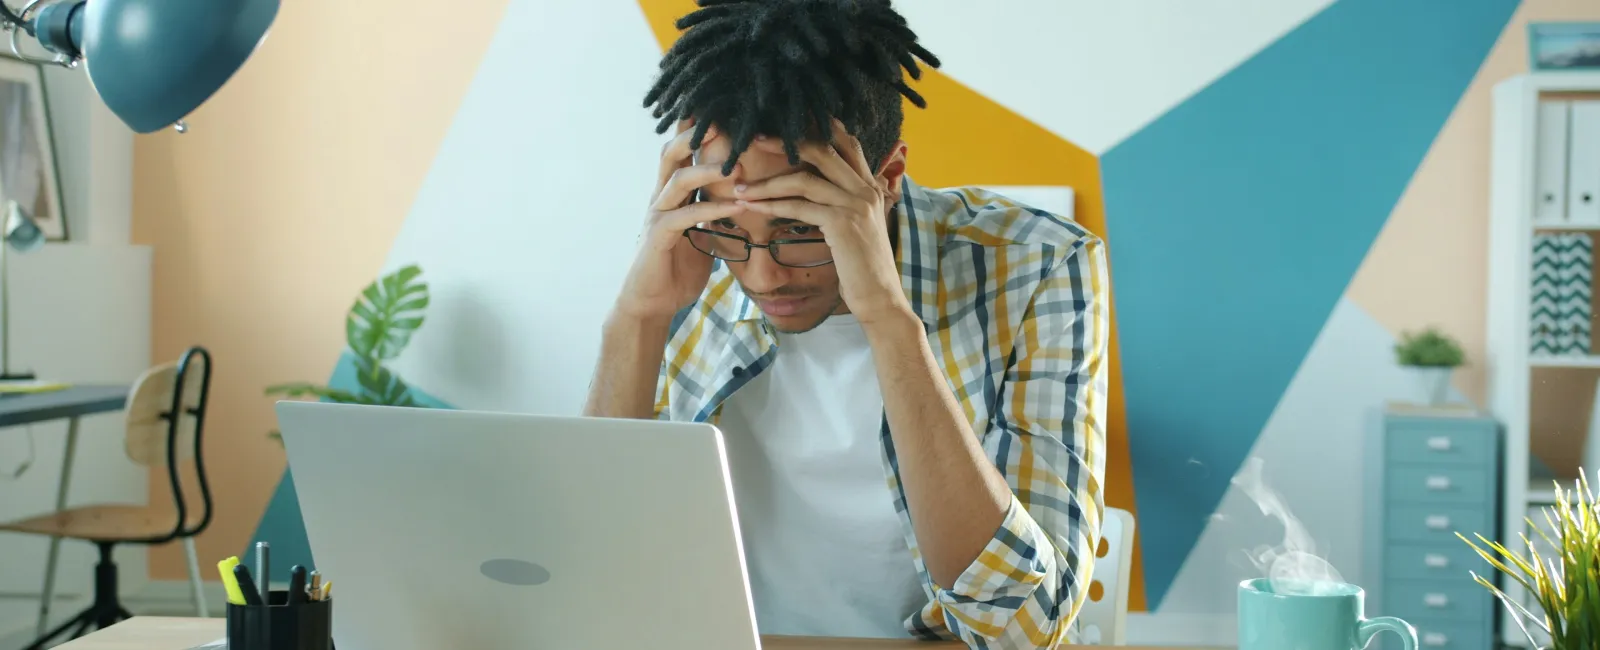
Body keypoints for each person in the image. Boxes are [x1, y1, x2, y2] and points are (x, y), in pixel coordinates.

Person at [582, 0, 1109, 647]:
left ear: (886, 178)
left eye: (800, 230)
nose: (762, 276)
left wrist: (888, 319)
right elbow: (586, 574)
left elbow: (1024, 630)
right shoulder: (690, 258)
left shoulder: (1036, 265)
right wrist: (638, 318)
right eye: (728, 227)